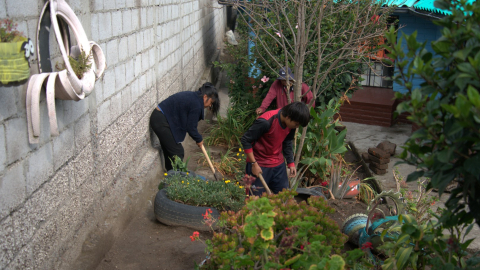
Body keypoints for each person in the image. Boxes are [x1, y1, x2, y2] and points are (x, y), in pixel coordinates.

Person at [241, 101, 310, 195]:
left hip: (278, 164)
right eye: (296, 124)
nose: (296, 127)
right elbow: (246, 140)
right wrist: (254, 164)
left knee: (284, 197)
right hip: (258, 164)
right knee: (254, 200)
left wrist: (290, 162)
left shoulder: (291, 124)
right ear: (288, 117)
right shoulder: (265, 121)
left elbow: (287, 141)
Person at [150, 82, 220, 171]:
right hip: (160, 120)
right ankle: (177, 178)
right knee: (177, 152)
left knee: (170, 150)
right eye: (211, 102)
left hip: (161, 118)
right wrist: (199, 139)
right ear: (205, 97)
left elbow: (189, 124)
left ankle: (171, 174)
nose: (210, 105)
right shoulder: (196, 104)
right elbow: (191, 127)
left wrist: (198, 138)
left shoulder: (195, 98)